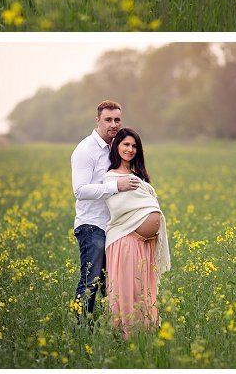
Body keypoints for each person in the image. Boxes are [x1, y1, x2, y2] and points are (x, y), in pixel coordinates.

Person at [70, 100, 140, 320]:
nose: (113, 124)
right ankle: (81, 330)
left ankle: (110, 329)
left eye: (117, 119)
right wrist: (114, 186)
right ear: (97, 120)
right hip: (92, 225)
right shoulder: (86, 150)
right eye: (108, 119)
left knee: (112, 283)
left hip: (113, 227)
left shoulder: (116, 148)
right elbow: (79, 190)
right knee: (90, 280)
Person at [104, 127, 171, 334]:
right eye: (126, 144)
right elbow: (118, 208)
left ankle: (145, 333)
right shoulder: (111, 178)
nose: (130, 149)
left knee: (143, 291)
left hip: (145, 244)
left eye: (134, 146)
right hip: (126, 239)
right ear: (117, 146)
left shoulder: (138, 177)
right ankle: (127, 335)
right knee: (128, 291)